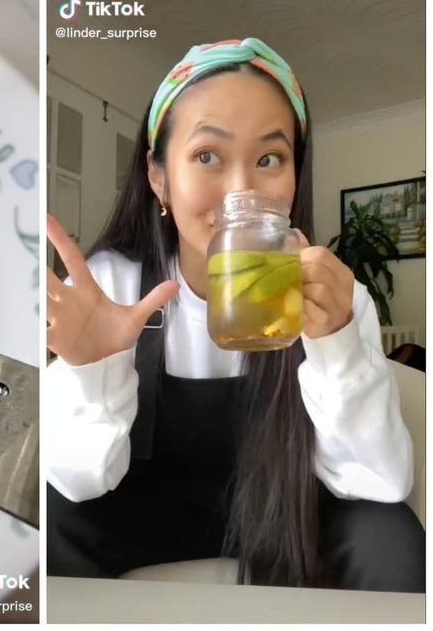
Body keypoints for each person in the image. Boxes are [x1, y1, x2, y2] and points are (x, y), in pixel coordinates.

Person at [45, 38, 424, 592]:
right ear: (158, 177)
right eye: (207, 156)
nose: (242, 191)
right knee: (49, 524)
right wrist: (91, 371)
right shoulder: (114, 284)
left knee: (392, 536)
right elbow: (78, 482)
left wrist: (337, 344)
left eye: (269, 158)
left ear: (296, 176)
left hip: (288, 513)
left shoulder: (333, 296)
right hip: (144, 510)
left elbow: (381, 481)